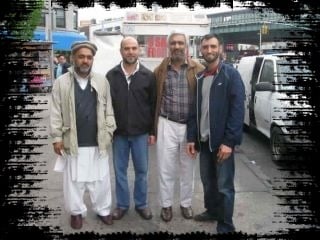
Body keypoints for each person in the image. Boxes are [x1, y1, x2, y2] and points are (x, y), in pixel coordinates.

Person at [50, 41, 116, 229]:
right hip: (73, 140)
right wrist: (56, 138)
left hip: (98, 140)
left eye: (89, 57)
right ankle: (76, 212)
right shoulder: (61, 82)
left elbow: (108, 109)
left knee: (100, 180)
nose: (85, 60)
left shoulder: (101, 81)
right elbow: (56, 112)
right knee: (74, 181)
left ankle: (103, 210)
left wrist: (109, 131)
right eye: (81, 56)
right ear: (73, 58)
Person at [186, 33, 245, 233]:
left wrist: (229, 142)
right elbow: (195, 111)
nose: (209, 51)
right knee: (208, 183)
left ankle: (226, 225)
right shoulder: (200, 77)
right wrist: (192, 138)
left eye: (213, 46)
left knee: (224, 187)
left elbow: (238, 110)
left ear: (220, 49)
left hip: (222, 144)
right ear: (201, 50)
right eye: (205, 47)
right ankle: (212, 211)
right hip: (204, 142)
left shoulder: (230, 75)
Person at [153, 30, 205, 222]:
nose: (176, 46)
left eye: (180, 43)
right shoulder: (161, 69)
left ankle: (185, 203)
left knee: (187, 168)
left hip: (189, 128)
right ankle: (166, 205)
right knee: (165, 168)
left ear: (186, 46)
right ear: (169, 46)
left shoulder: (197, 69)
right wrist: (152, 129)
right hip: (166, 123)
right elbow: (153, 96)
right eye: (173, 43)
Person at [106, 36, 156, 221]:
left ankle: (141, 204)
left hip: (140, 134)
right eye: (127, 48)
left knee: (142, 172)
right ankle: (122, 205)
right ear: (121, 51)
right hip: (118, 135)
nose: (130, 52)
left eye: (134, 48)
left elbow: (152, 105)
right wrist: (108, 130)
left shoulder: (148, 76)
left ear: (139, 50)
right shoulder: (111, 75)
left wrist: (152, 132)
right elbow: (106, 106)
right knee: (120, 172)